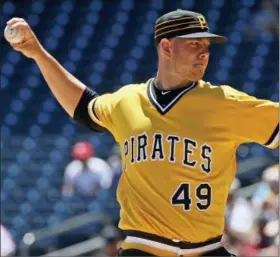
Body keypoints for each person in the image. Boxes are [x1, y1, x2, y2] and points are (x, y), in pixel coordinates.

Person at [7, 8, 279, 256]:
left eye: (206, 44)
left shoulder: (225, 103)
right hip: (143, 248)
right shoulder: (127, 101)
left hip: (206, 249)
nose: (204, 51)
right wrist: (38, 54)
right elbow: (84, 107)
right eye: (194, 43)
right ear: (166, 47)